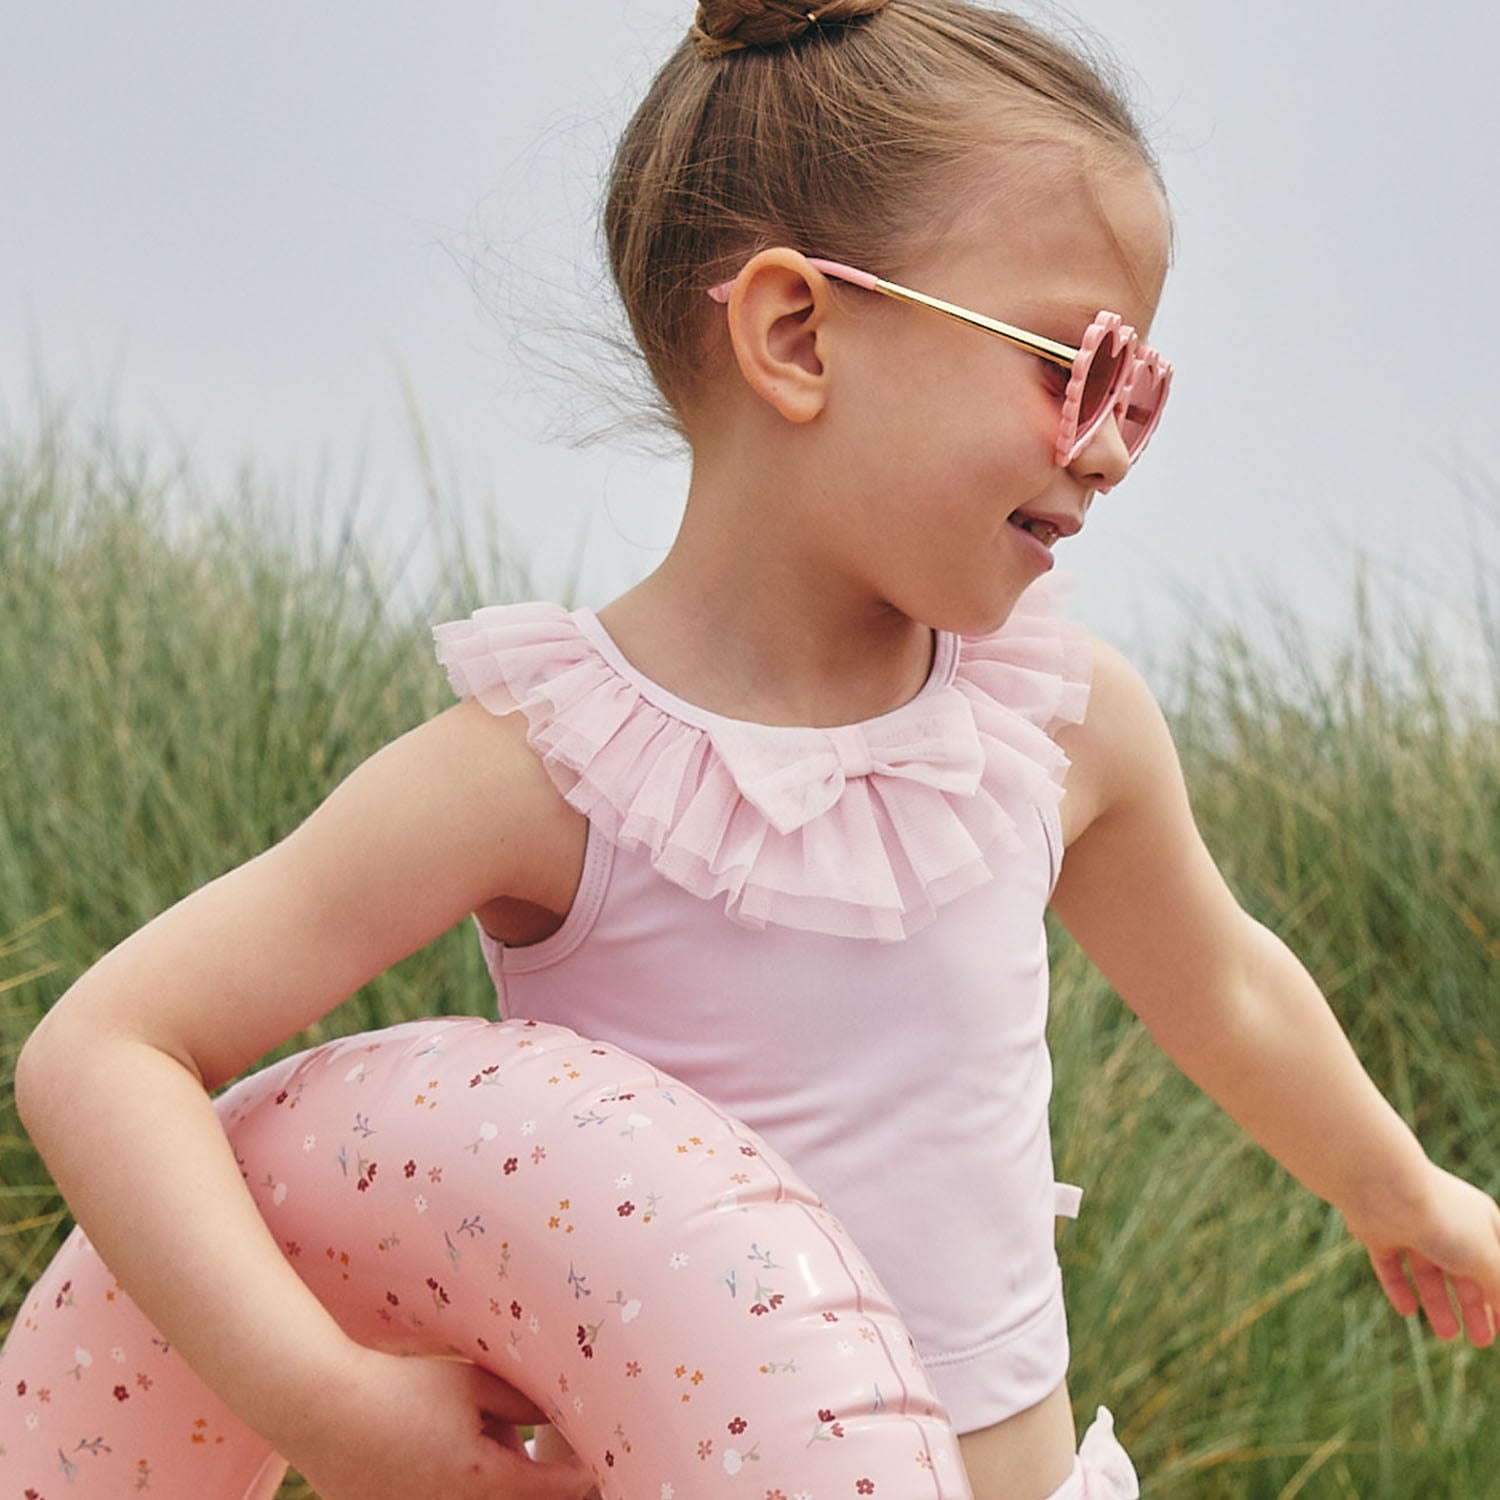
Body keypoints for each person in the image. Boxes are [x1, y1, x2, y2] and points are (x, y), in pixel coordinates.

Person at [11, 1, 1500, 1498]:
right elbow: (104, 1048)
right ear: (798, 335)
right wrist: (329, 1406)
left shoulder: (1057, 723)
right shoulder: (542, 771)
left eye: (1144, 392)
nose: (1111, 444)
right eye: (1074, 363)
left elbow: (1227, 982)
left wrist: (1399, 1189)